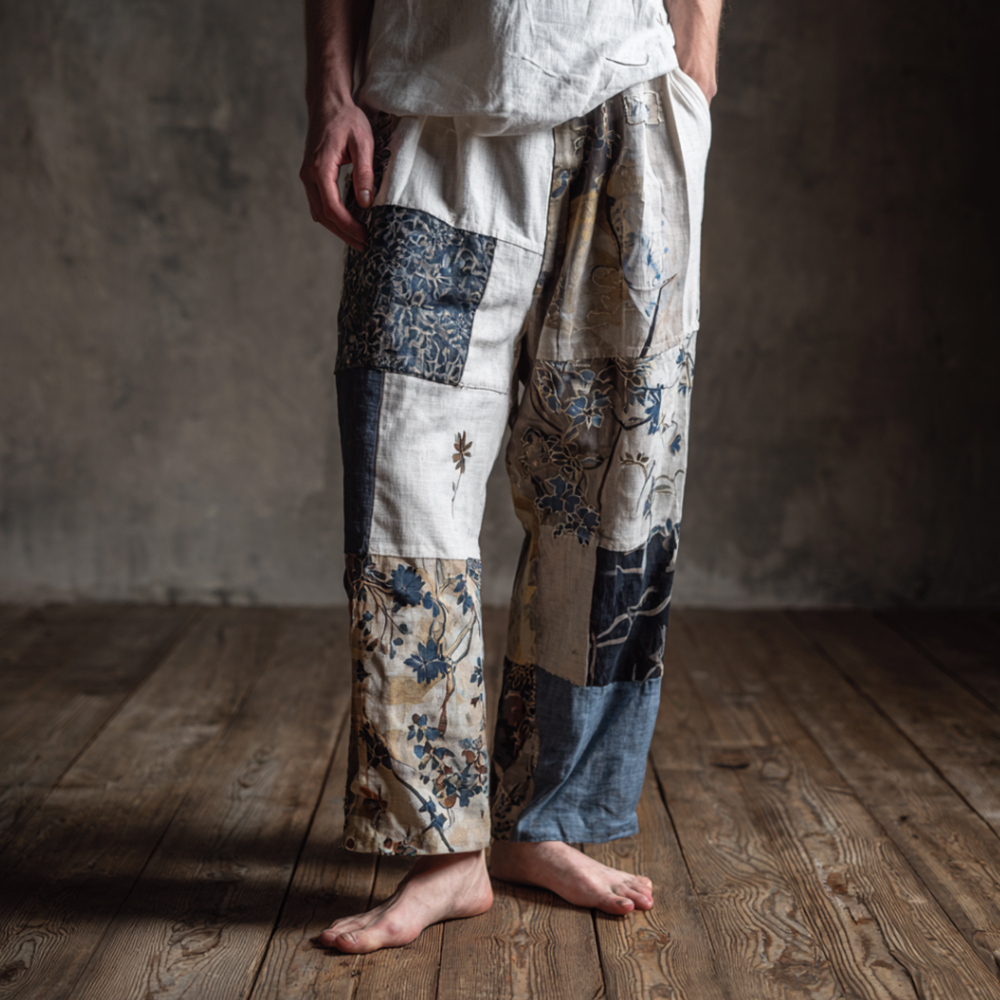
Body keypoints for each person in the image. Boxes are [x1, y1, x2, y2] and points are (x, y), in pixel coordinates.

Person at [300, 0, 721, 954]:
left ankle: (543, 819)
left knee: (611, 504)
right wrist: (332, 93)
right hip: (429, 105)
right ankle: (445, 849)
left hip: (628, 98)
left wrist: (692, 78)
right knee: (406, 493)